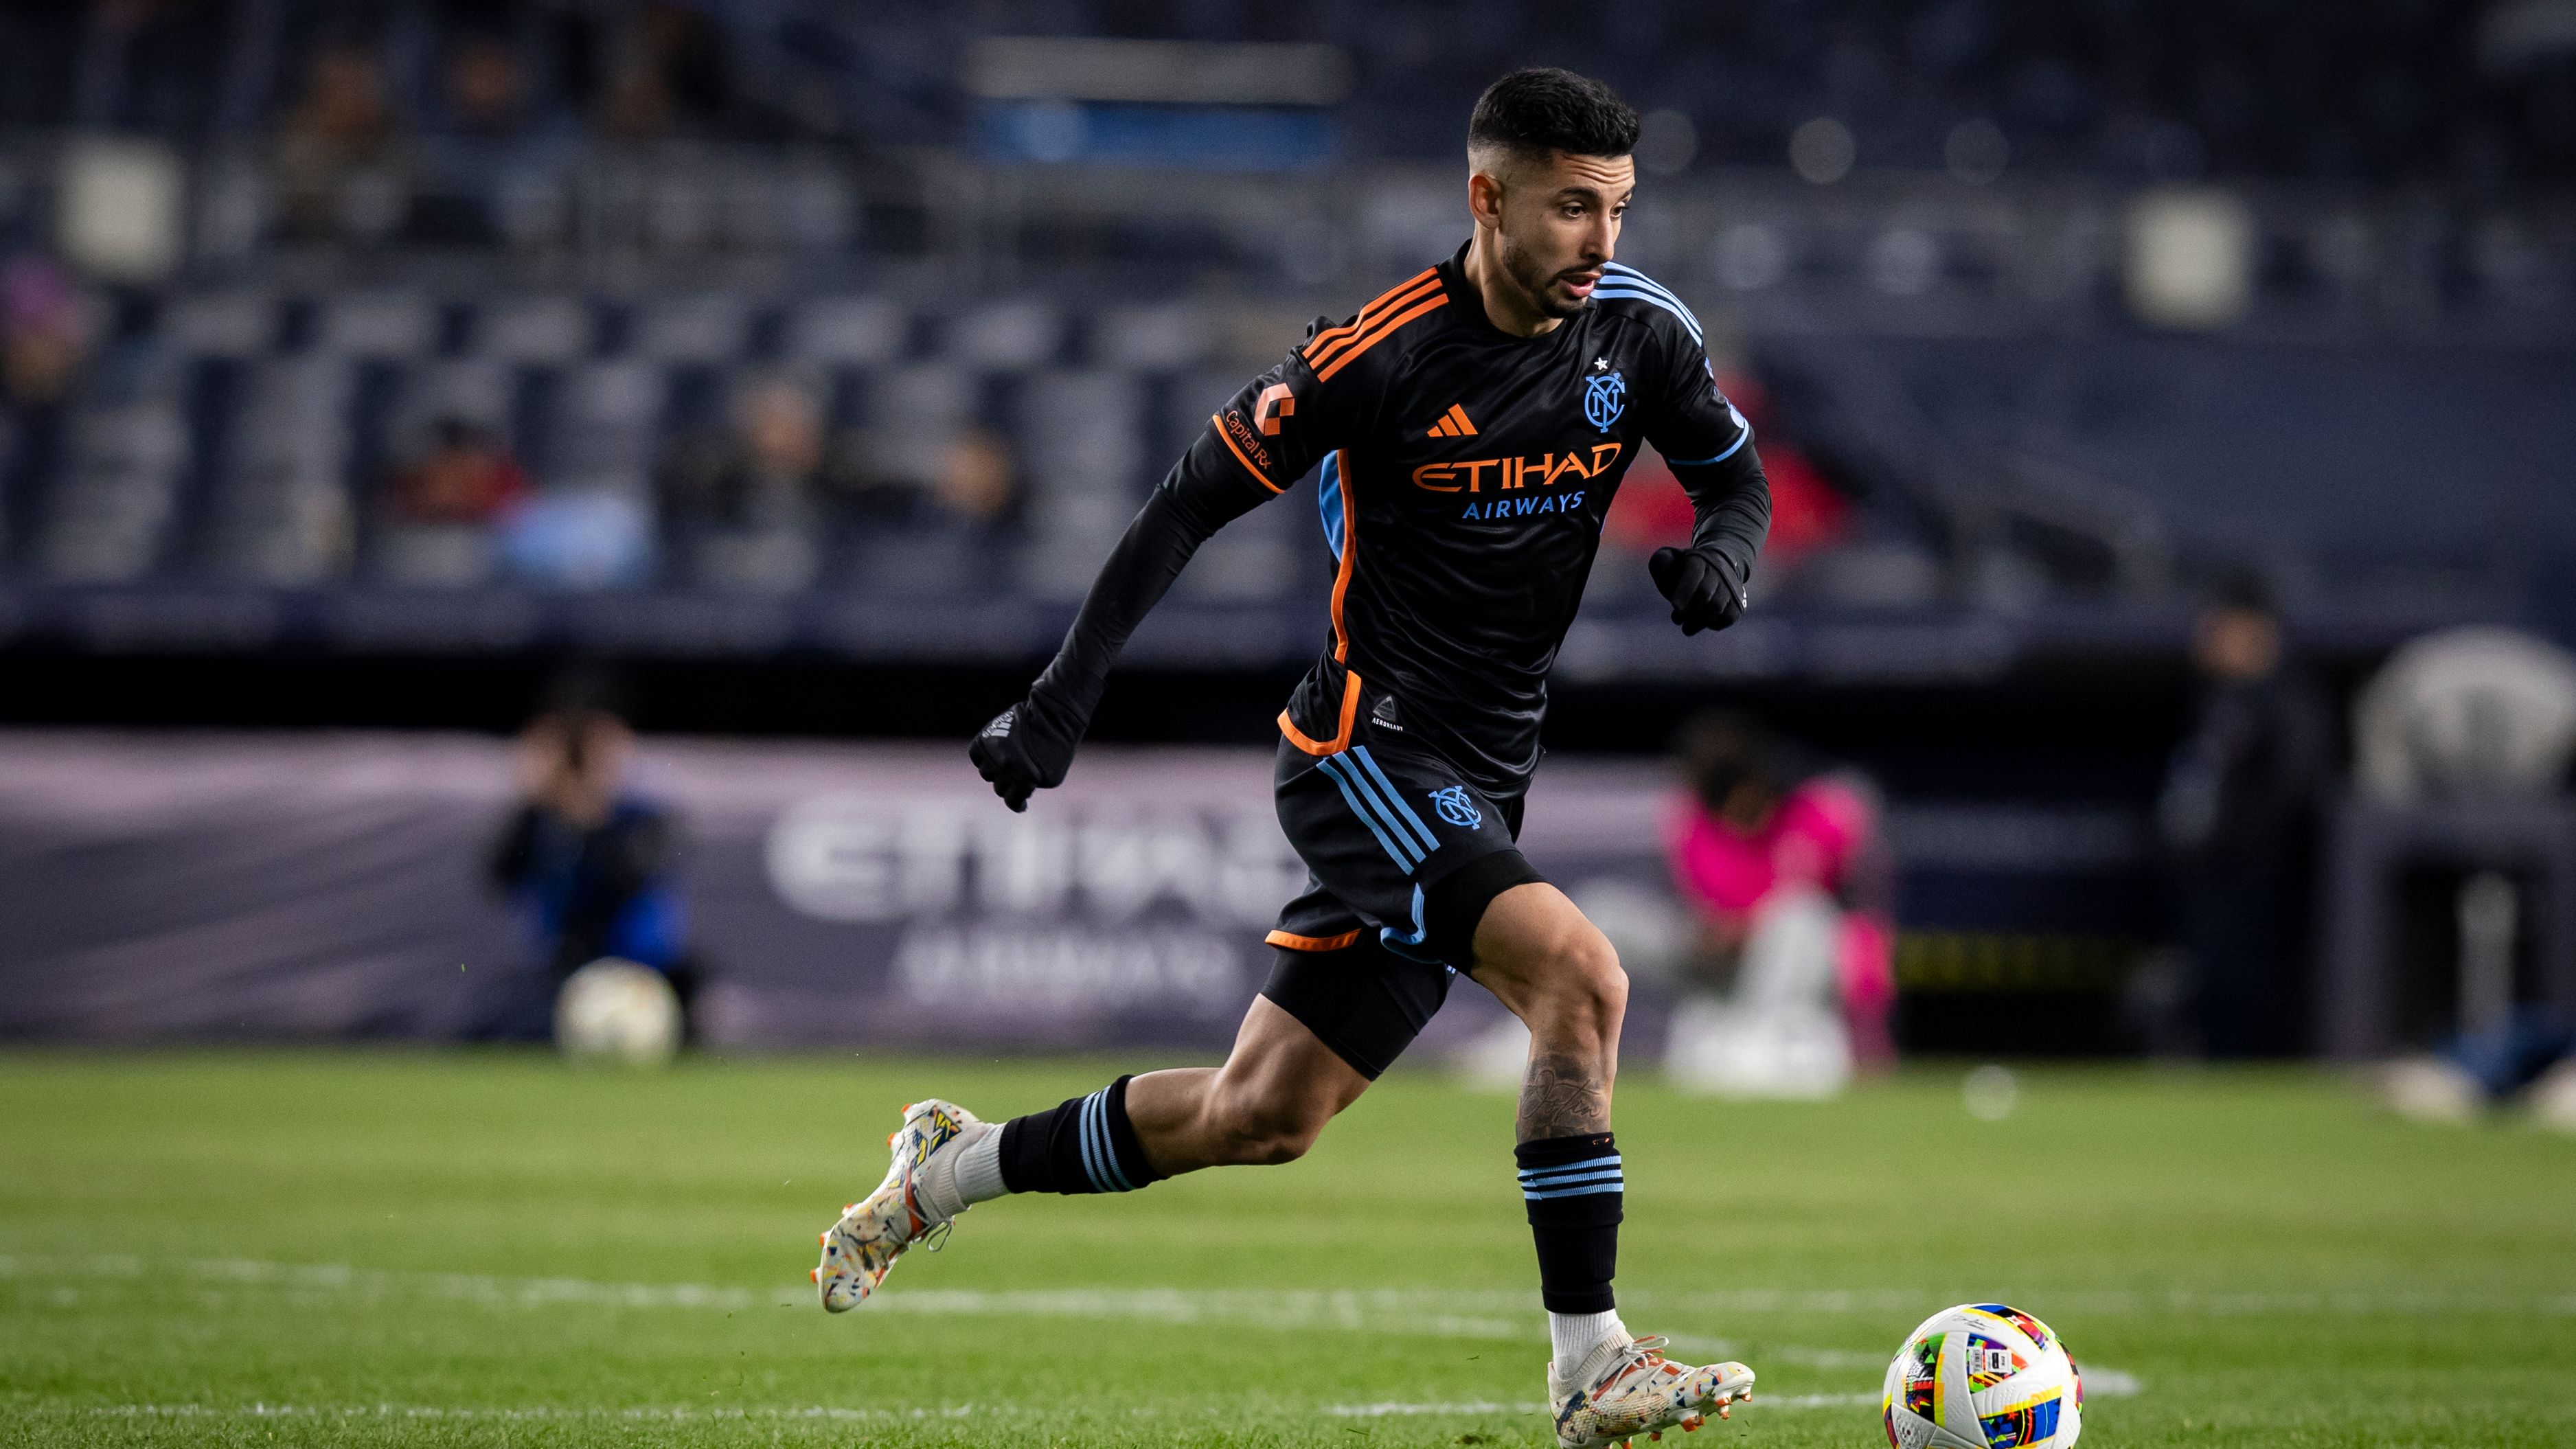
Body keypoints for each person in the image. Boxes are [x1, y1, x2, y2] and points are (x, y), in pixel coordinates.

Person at [812, 70, 1773, 1448]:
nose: (1601, 240)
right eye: (1572, 207)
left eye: (1617, 208)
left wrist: (1724, 557)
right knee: (1582, 975)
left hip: (1483, 777)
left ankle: (946, 1169)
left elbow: (1732, 476)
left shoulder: (1641, 330)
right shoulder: (1376, 356)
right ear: (1486, 197)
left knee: (1260, 1113)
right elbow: (1182, 506)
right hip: (1364, 751)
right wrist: (1060, 700)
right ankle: (1592, 1361)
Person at [1661, 713, 1896, 1094]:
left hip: (1810, 973)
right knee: (1609, 913)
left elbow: (1865, 923)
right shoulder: (1692, 828)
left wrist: (1870, 1032)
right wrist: (1715, 934)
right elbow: (1703, 915)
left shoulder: (1825, 813)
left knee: (1799, 912)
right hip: (1725, 971)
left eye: (1744, 804)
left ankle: (1757, 1041)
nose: (1738, 821)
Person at [2156, 574, 2332, 1058]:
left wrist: (2234, 847)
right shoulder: (2215, 699)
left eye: (2219, 627)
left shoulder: (2287, 702)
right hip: (2213, 878)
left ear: (2255, 630)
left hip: (2258, 882)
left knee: (2248, 996)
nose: (2206, 638)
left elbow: (2292, 792)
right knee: (2212, 990)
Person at [483, 685, 697, 1041]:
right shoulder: (540, 821)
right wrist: (533, 800)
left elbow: (628, 875)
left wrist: (589, 807)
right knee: (499, 1017)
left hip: (643, 971)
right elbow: (499, 875)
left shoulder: (644, 817)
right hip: (564, 971)